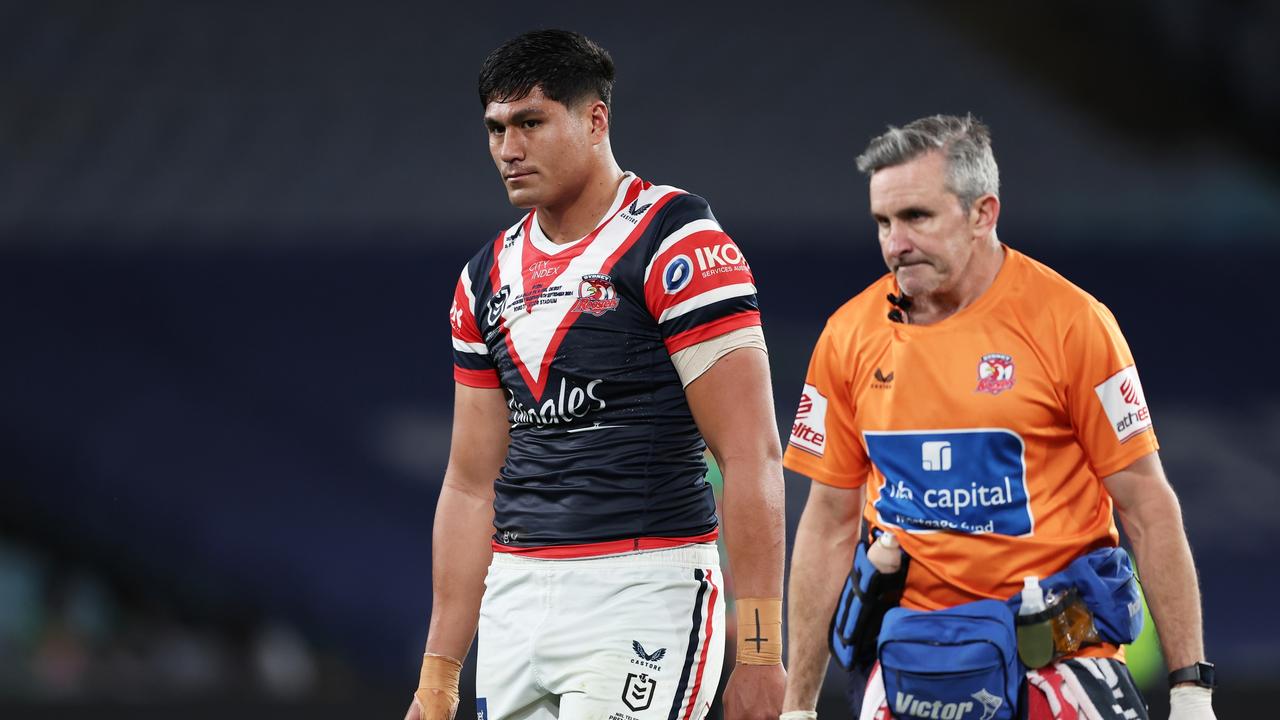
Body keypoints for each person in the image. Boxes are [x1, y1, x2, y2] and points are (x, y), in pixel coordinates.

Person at [778, 115, 1216, 720]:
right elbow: (828, 521)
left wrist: (1191, 690)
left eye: (917, 217)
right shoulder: (847, 337)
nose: (894, 243)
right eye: (883, 221)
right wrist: (797, 706)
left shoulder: (1073, 324)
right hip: (912, 674)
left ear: (983, 213)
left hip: (1057, 671)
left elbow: (1146, 503)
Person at [403, 29, 787, 720]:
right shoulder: (481, 280)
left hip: (644, 590)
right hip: (516, 602)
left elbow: (751, 452)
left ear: (596, 118)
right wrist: (437, 677)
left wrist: (760, 652)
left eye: (530, 123)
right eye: (495, 129)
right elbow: (468, 484)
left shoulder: (678, 242)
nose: (507, 150)